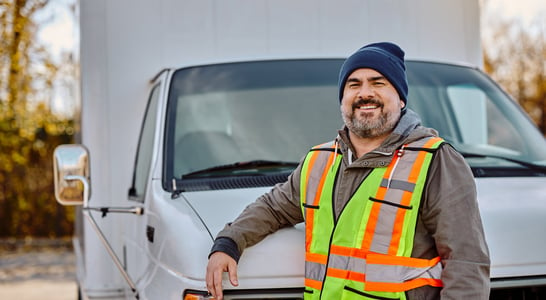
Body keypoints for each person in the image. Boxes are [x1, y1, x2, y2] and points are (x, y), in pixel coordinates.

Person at [206, 42, 490, 300]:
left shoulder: (436, 160)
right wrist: (229, 241)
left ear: (401, 99)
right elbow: (273, 208)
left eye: (378, 82)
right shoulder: (319, 160)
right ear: (343, 100)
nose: (365, 92)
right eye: (354, 84)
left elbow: (466, 264)